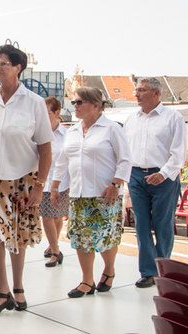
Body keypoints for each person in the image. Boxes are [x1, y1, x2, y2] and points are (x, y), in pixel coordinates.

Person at [0, 45, 53, 316]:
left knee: (18, 236)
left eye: (4, 63)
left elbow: (45, 149)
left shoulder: (34, 102)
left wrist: (39, 186)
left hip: (23, 182)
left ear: (18, 68)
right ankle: (2, 291)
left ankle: (18, 287)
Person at [51, 87, 131, 297]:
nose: (74, 106)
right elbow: (62, 161)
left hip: (105, 194)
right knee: (81, 238)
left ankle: (109, 270)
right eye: (74, 102)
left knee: (106, 237)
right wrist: (55, 186)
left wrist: (116, 184)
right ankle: (87, 281)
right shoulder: (73, 131)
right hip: (78, 194)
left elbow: (125, 159)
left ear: (95, 105)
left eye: (79, 102)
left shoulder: (111, 129)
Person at [124, 77, 186, 288]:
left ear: (156, 93)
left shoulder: (173, 118)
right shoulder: (131, 119)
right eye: (136, 90)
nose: (137, 94)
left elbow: (179, 152)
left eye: (141, 90)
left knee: (162, 224)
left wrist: (165, 173)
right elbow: (125, 151)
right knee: (141, 225)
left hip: (164, 178)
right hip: (136, 176)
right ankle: (148, 271)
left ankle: (163, 270)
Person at [40, 97, 71, 267]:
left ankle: (53, 245)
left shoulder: (67, 135)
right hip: (43, 181)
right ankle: (55, 252)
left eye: (47, 112)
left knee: (58, 217)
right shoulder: (38, 133)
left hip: (62, 182)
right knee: (47, 217)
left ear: (57, 113)